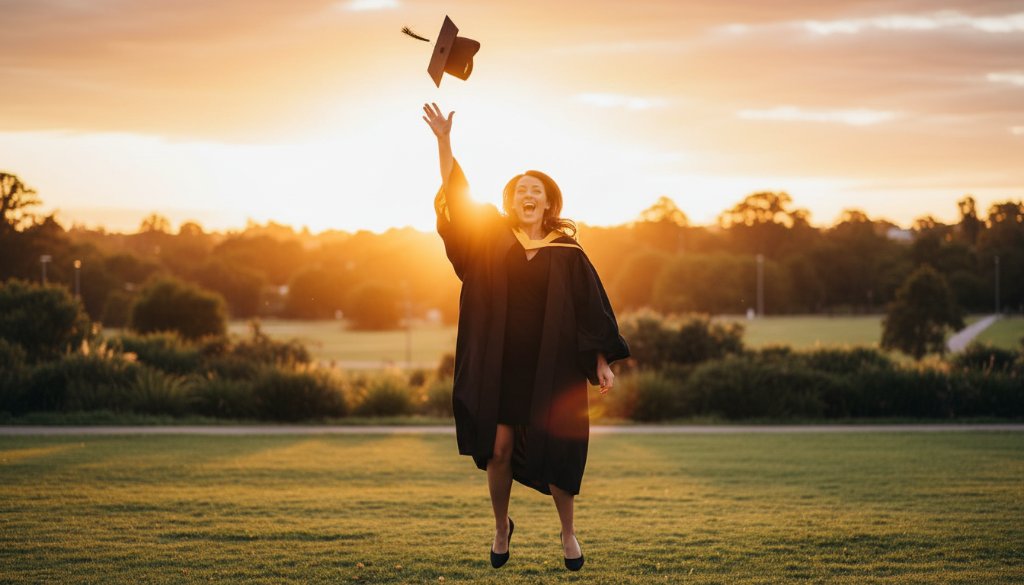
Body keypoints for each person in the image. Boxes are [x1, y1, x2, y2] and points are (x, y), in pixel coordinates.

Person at [422, 102, 629, 571]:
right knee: (496, 448)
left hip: (551, 367)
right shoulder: (492, 238)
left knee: (558, 449)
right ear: (511, 201)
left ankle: (569, 533)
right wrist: (444, 142)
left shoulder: (567, 253)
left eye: (535, 190)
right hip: (501, 365)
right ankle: (501, 526)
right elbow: (458, 197)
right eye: (520, 190)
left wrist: (601, 360)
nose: (527, 195)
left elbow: (591, 310)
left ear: (549, 203)